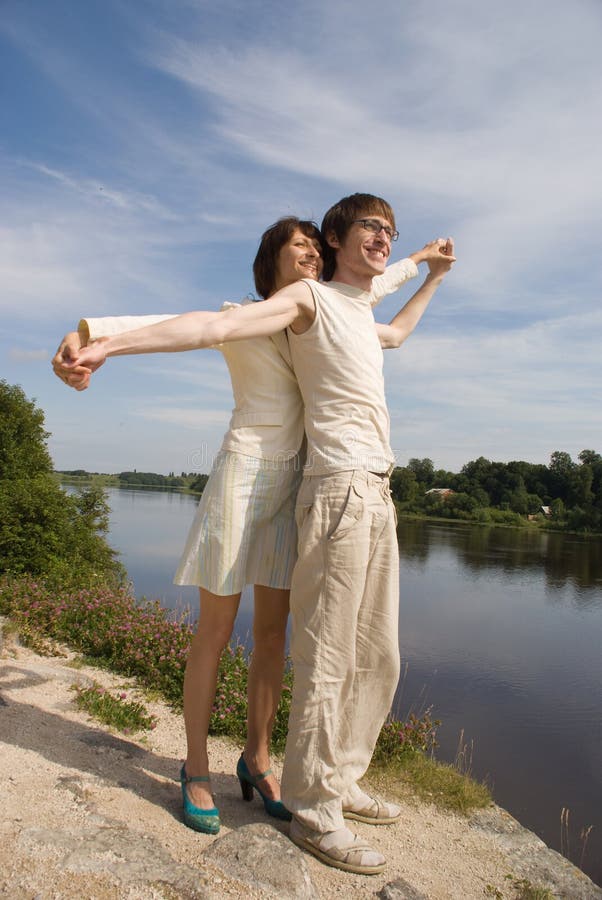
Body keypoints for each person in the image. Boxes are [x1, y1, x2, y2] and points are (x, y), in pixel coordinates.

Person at [53, 214, 443, 842]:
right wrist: (94, 338)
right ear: (272, 260)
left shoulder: (319, 319)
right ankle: (196, 766)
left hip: (300, 485)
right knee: (214, 629)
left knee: (272, 637)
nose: (314, 255)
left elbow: (383, 309)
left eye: (319, 247)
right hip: (245, 475)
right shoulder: (253, 314)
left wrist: (422, 262)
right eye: (301, 246)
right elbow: (203, 324)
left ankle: (257, 761)